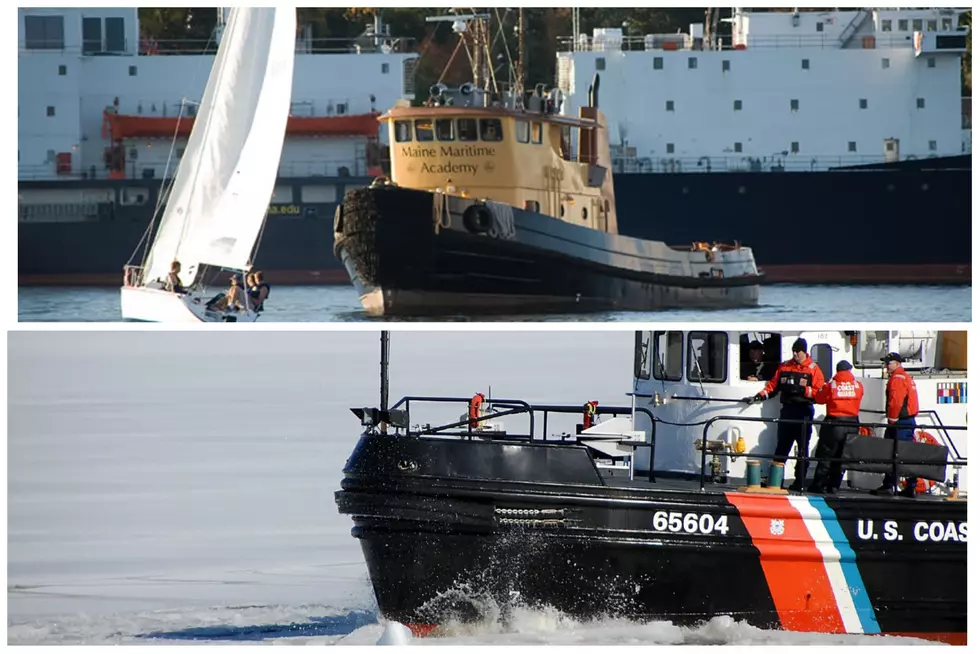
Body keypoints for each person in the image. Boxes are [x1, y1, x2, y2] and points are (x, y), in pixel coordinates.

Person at [742, 338, 826, 491]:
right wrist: (757, 397)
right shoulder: (785, 366)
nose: (795, 354)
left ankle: (799, 482)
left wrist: (803, 391)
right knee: (782, 448)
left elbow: (820, 394)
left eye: (797, 351)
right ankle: (775, 482)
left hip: (804, 412)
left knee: (802, 450)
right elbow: (772, 387)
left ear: (804, 352)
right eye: (793, 351)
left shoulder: (813, 369)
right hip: (787, 411)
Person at [809, 360, 863, 494]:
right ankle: (834, 486)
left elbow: (819, 399)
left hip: (834, 424)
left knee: (827, 455)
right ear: (849, 370)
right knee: (843, 456)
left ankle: (819, 485)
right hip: (852, 424)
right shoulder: (858, 385)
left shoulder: (831, 385)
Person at [873, 352, 920, 497]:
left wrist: (892, 419)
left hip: (900, 422)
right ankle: (908, 486)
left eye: (889, 363)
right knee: (906, 453)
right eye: (886, 363)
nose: (886, 366)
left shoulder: (897, 379)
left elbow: (896, 401)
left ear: (898, 364)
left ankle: (891, 486)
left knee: (895, 453)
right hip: (907, 420)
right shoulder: (905, 377)